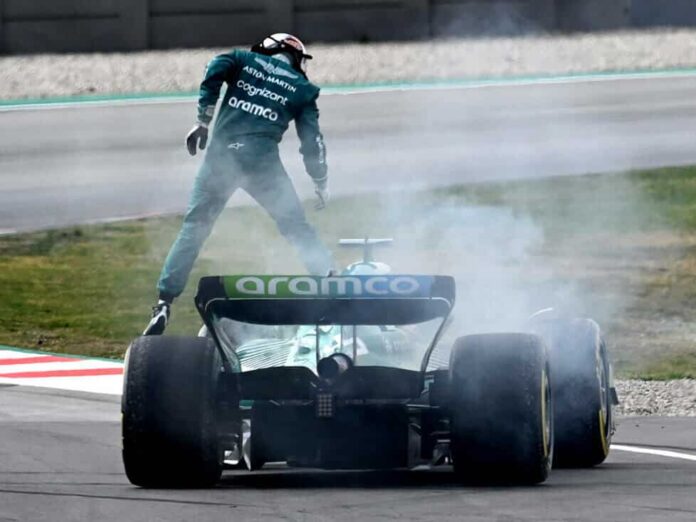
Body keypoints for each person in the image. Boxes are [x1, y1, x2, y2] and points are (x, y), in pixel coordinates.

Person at [144, 33, 334, 336]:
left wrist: (203, 120)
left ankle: (164, 303)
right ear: (295, 58)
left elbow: (213, 69)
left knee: (194, 228)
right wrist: (320, 179)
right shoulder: (303, 88)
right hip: (262, 164)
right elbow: (312, 142)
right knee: (296, 227)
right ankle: (331, 286)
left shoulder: (242, 59)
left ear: (266, 49)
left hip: (221, 159)